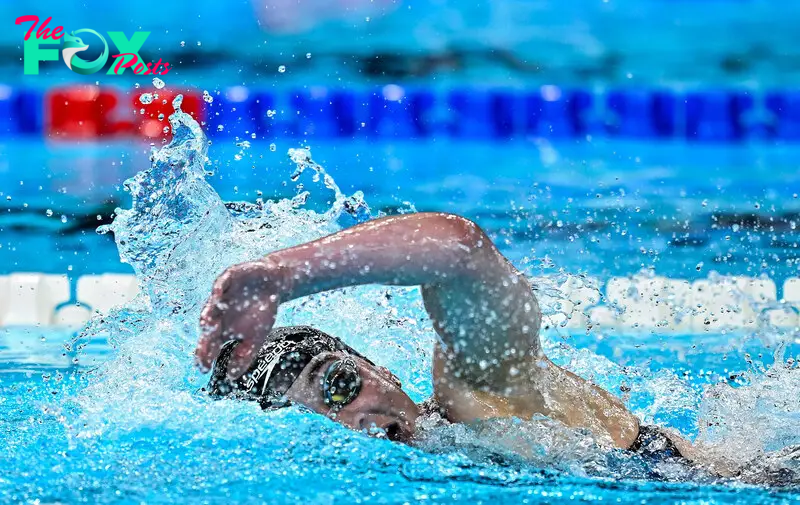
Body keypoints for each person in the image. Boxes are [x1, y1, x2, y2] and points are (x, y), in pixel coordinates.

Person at [195, 212, 704, 468]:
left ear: (378, 369)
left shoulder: (473, 396)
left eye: (341, 386)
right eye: (315, 424)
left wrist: (284, 276)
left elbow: (459, 252)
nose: (358, 423)